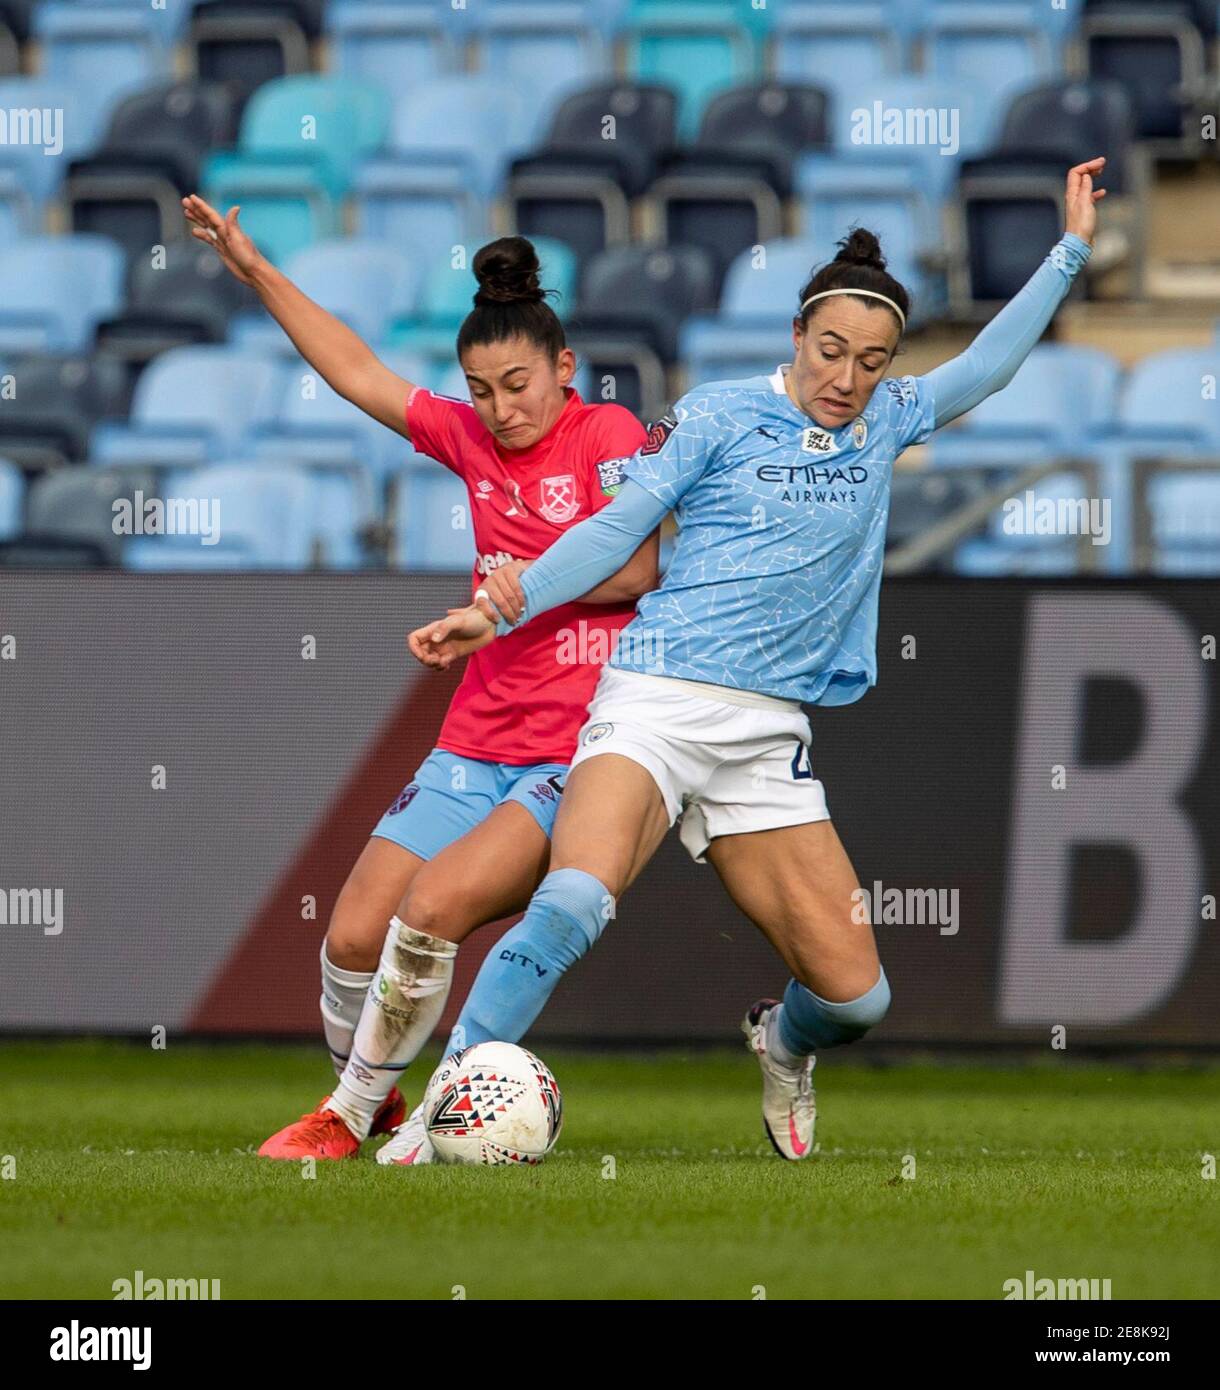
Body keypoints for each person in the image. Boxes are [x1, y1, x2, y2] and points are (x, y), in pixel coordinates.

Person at [409, 160, 1107, 1159]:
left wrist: (1068, 250)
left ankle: (780, 1046)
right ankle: (447, 1100)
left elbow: (988, 367)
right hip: (652, 695)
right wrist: (498, 606)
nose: (845, 377)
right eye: (830, 351)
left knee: (855, 997)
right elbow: (617, 532)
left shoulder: (891, 418)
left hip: (764, 732)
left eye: (870, 360)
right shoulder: (717, 414)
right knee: (573, 896)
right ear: (795, 336)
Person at [180, 197, 658, 1160]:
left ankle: (347, 1118)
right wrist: (257, 270)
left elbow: (644, 570)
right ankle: (381, 1101)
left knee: (430, 910)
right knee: (352, 936)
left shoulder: (607, 433)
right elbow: (356, 371)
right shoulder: (471, 441)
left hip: (575, 754)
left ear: (564, 370)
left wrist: (514, 598)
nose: (501, 409)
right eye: (481, 390)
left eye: (519, 384)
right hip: (474, 741)